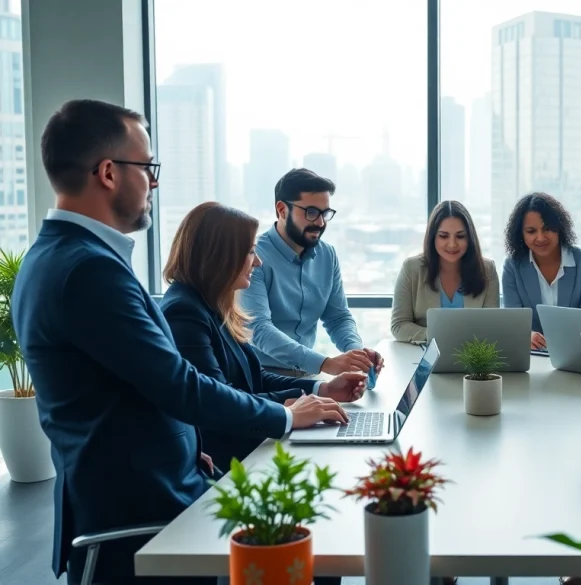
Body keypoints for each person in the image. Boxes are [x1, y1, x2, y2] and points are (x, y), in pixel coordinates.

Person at [11, 99, 346, 585]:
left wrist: (187, 446)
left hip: (157, 486)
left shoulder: (61, 257)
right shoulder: (88, 270)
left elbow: (128, 387)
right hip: (144, 516)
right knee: (317, 552)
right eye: (147, 167)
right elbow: (179, 384)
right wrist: (288, 415)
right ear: (107, 172)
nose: (155, 181)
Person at [161, 202, 368, 472]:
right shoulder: (184, 312)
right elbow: (219, 401)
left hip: (249, 442)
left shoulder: (213, 304)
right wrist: (290, 415)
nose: (257, 262)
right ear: (220, 256)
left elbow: (254, 378)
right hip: (228, 460)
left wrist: (322, 389)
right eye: (250, 253)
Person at [239, 168, 384, 379]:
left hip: (307, 375)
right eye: (311, 212)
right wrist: (325, 364)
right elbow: (258, 330)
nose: (320, 222)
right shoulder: (254, 256)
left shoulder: (328, 255)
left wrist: (356, 354)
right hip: (258, 377)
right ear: (282, 210)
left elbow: (338, 317)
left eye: (325, 213)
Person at [501, 192, 581, 349]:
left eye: (547, 229)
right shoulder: (512, 265)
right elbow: (513, 322)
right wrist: (525, 335)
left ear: (559, 228)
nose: (540, 238)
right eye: (531, 231)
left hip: (576, 353)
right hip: (532, 355)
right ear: (521, 234)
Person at [391, 200, 499, 343]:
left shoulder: (488, 270)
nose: (452, 244)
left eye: (460, 236)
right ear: (433, 237)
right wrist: (438, 337)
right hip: (423, 354)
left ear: (470, 238)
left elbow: (492, 327)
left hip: (473, 356)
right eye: (443, 236)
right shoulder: (411, 269)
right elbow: (399, 325)